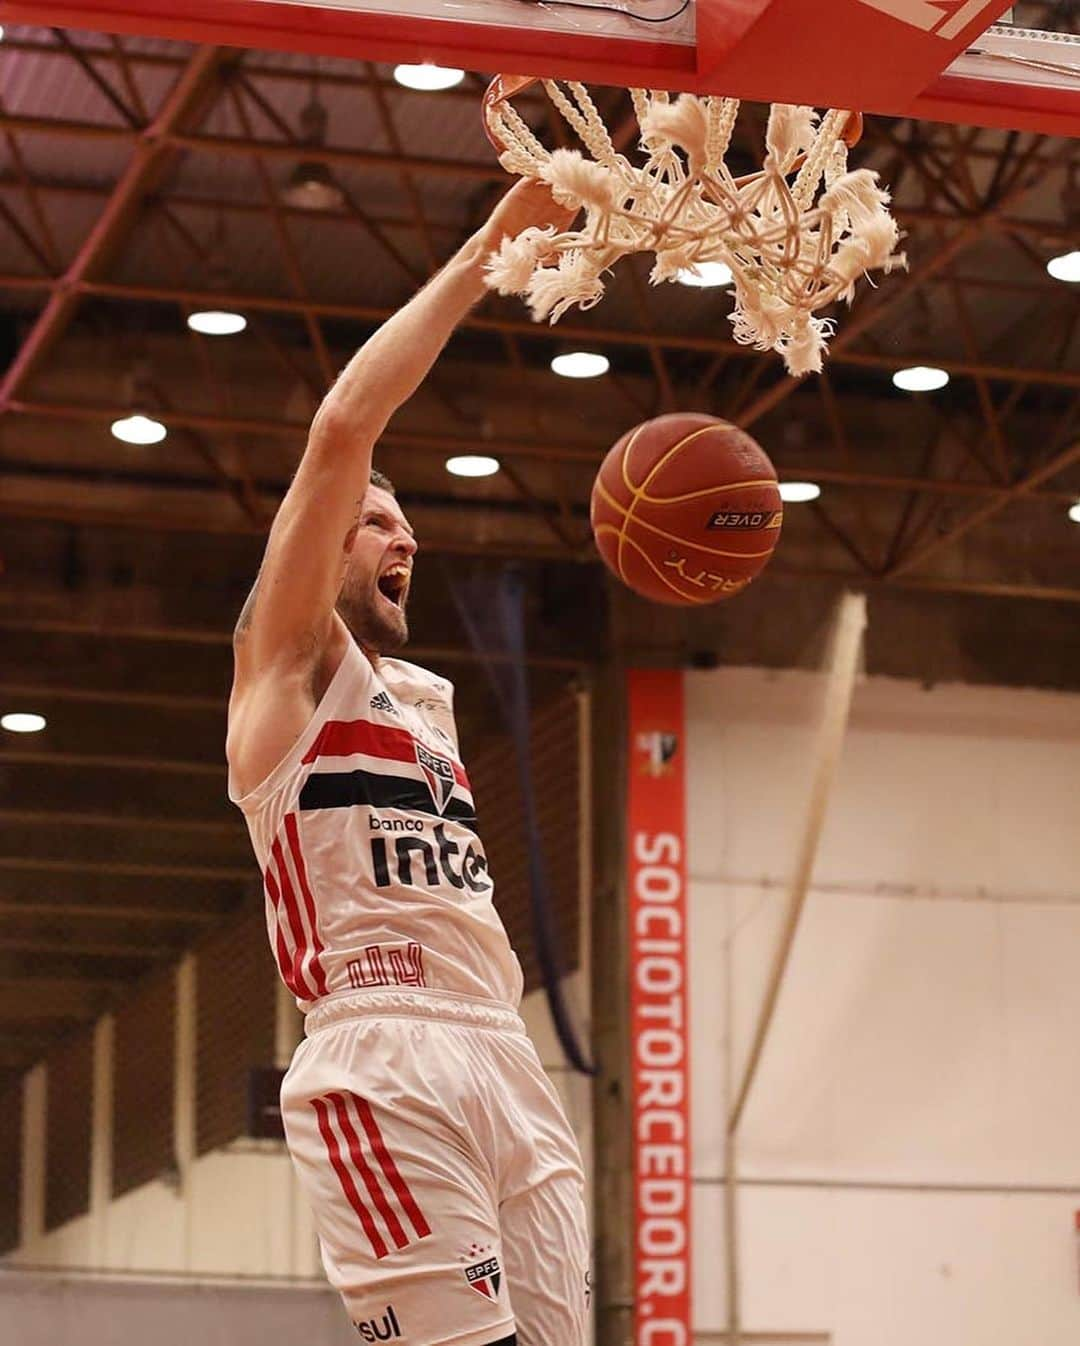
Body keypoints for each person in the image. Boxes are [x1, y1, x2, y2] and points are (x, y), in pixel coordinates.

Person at [226, 181, 588, 1346]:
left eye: (404, 522)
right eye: (378, 522)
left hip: (504, 1047)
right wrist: (490, 249)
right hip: (381, 1051)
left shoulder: (425, 703)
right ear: (315, 550)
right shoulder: (281, 674)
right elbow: (343, 428)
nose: (407, 536)